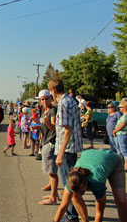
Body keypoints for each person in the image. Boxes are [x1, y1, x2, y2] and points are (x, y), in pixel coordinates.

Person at [54, 149, 127, 222]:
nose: (79, 195)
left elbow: (99, 212)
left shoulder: (97, 183)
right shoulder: (71, 181)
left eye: (81, 192)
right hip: (93, 157)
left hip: (113, 160)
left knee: (121, 201)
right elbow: (63, 208)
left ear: (86, 183)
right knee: (74, 195)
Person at [48, 79, 83, 222]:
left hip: (67, 149)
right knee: (71, 183)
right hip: (72, 147)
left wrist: (60, 154)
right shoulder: (72, 101)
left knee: (69, 185)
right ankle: (72, 213)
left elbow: (67, 130)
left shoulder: (63, 104)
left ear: (53, 90)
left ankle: (71, 215)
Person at [31, 89, 59, 205]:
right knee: (49, 170)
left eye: (47, 98)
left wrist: (47, 123)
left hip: (51, 143)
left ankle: (53, 197)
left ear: (51, 99)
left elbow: (54, 128)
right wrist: (36, 127)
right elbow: (44, 127)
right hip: (46, 142)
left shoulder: (52, 111)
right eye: (42, 99)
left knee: (52, 171)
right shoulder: (44, 112)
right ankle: (54, 192)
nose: (45, 101)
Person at [113, 100, 127, 171]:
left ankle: (126, 165)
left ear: (124, 107)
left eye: (121, 107)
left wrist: (115, 130)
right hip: (123, 134)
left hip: (122, 134)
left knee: (123, 150)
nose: (119, 108)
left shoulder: (125, 116)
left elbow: (121, 125)